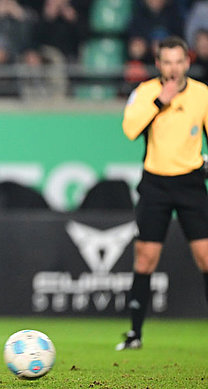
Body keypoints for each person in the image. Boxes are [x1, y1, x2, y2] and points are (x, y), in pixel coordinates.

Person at [118, 36, 208, 350]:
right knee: (145, 258)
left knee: (206, 257)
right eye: (166, 62)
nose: (172, 68)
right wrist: (161, 102)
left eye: (178, 61)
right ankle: (134, 334)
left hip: (191, 183)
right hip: (156, 183)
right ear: (158, 64)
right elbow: (129, 129)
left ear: (187, 62)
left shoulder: (202, 94)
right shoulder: (146, 92)